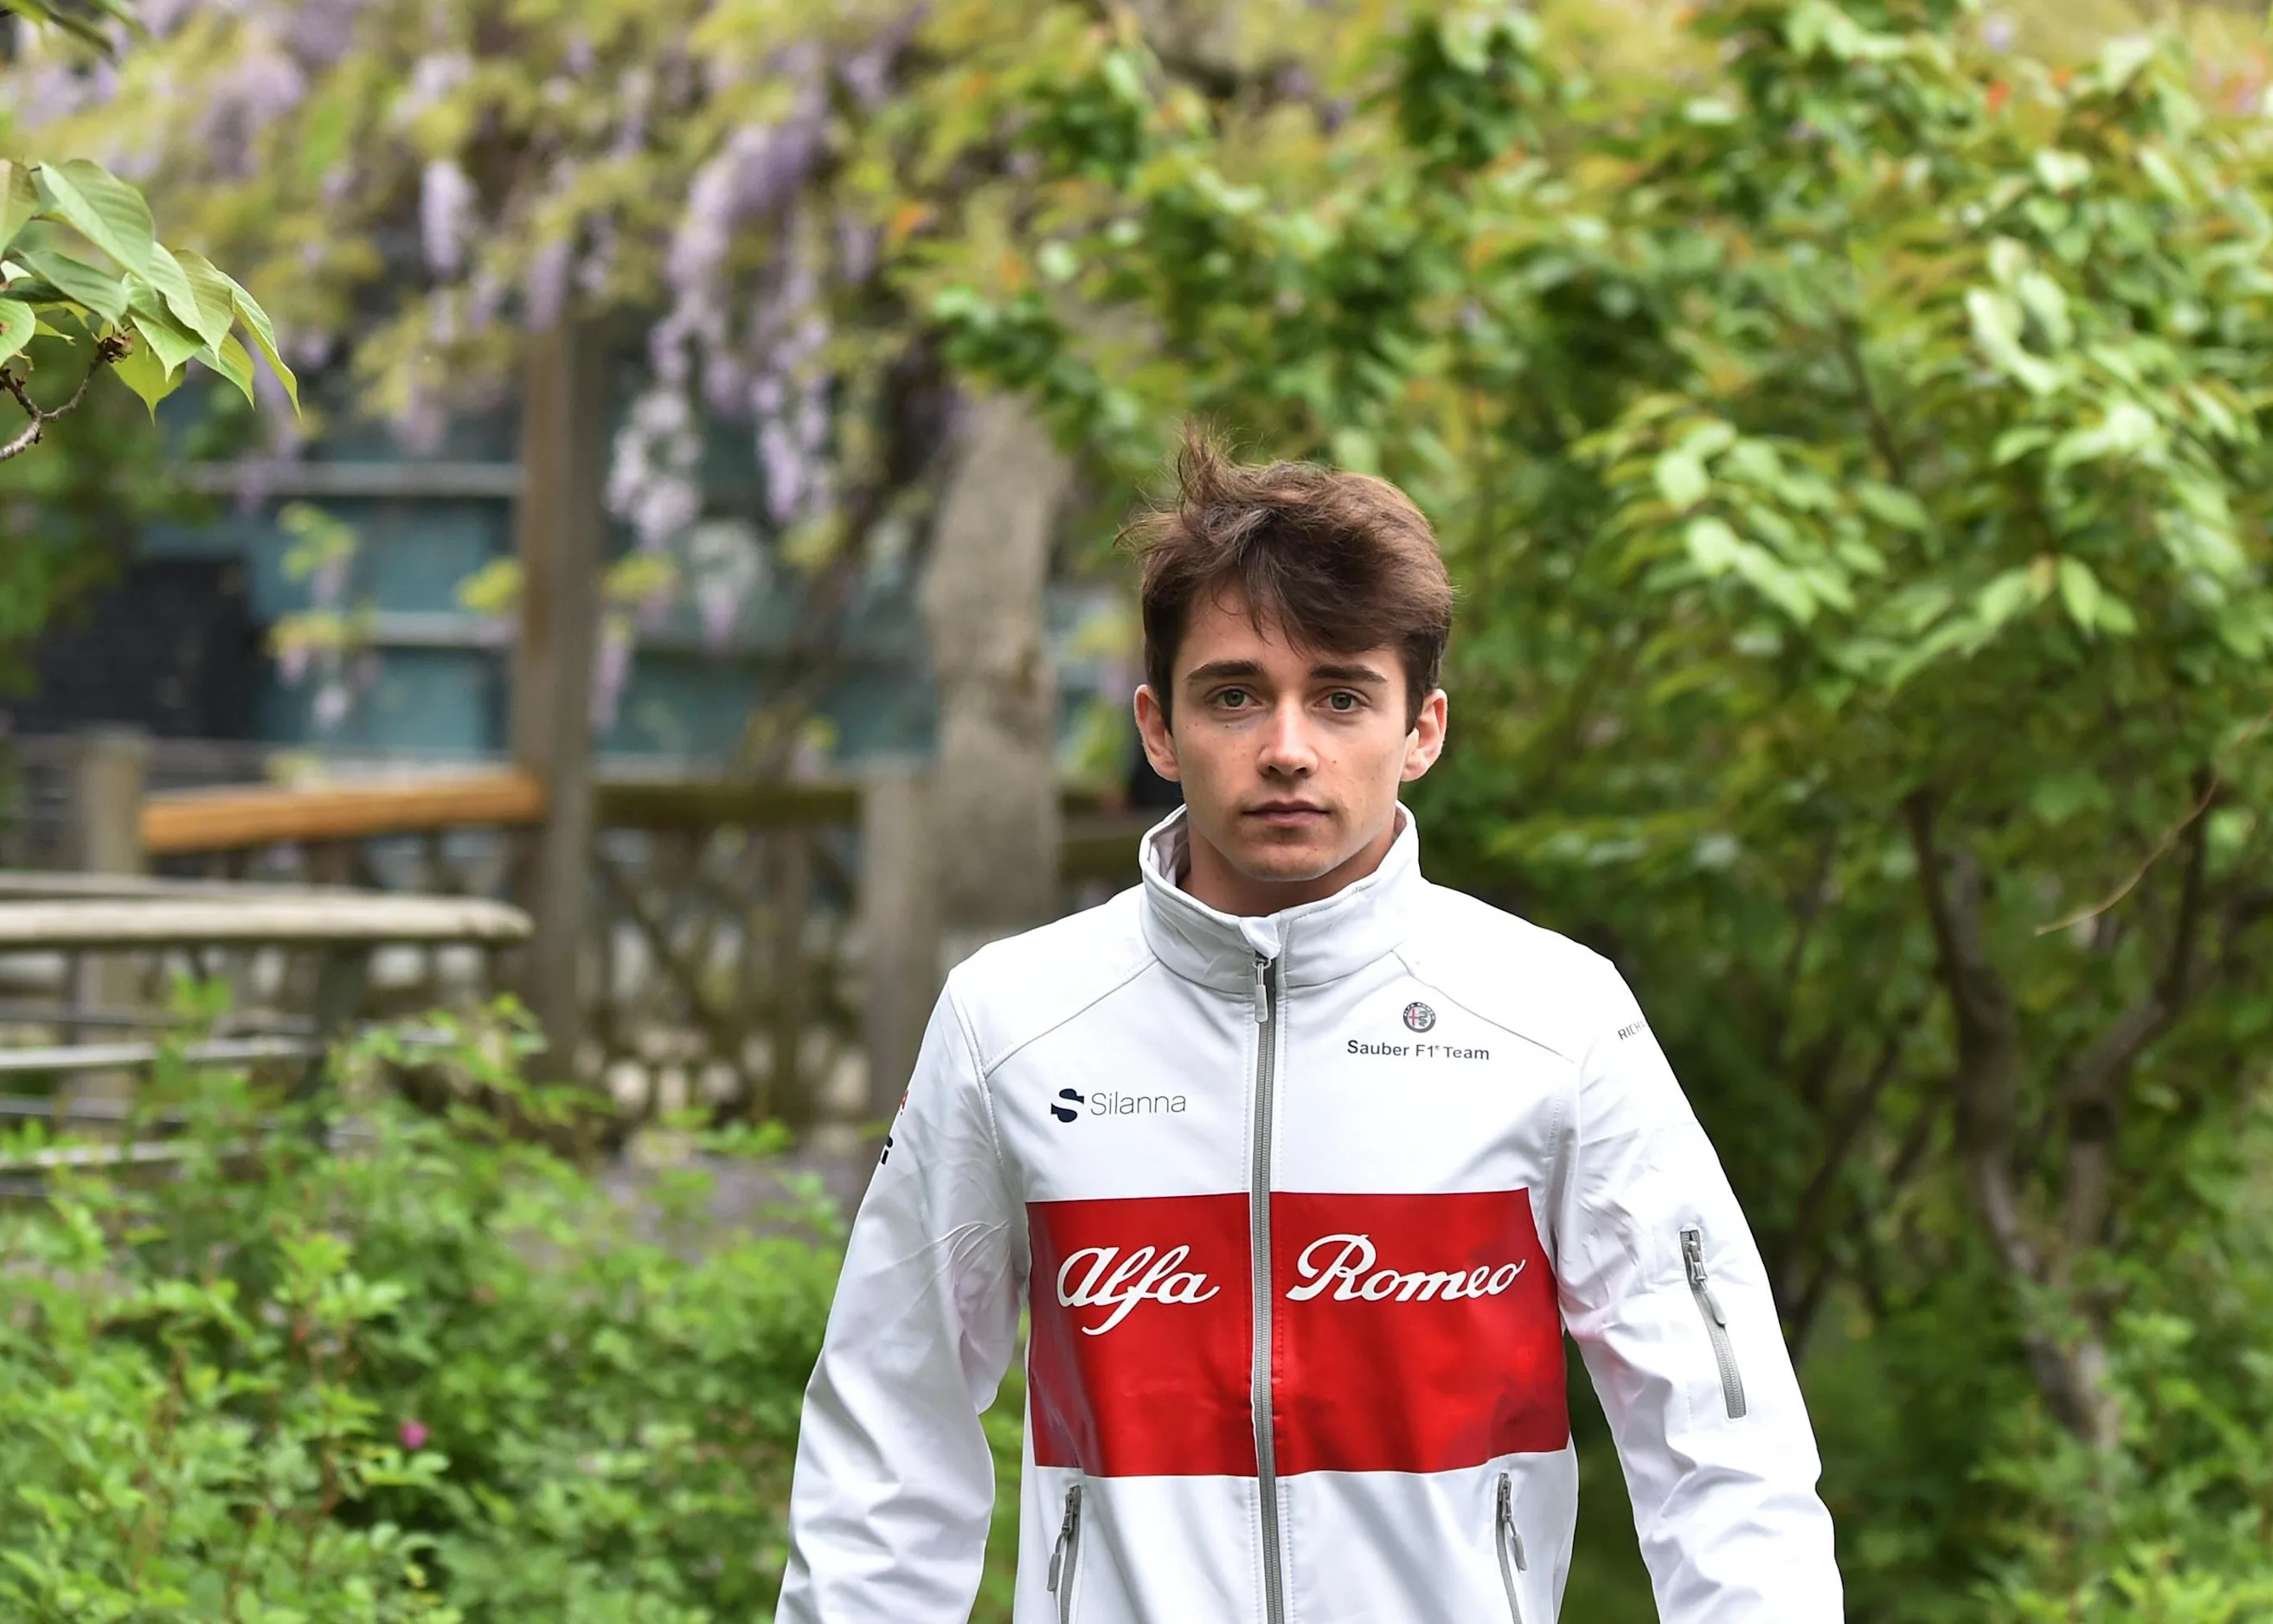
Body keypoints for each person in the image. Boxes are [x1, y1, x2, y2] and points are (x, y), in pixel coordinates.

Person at [776, 432, 1841, 1622]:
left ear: (1422, 730)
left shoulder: (1559, 1020)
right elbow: (886, 1436)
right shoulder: (1010, 1023)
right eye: (1235, 695)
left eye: (1341, 696)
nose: (1288, 749)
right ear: (1159, 728)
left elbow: (1722, 1446)